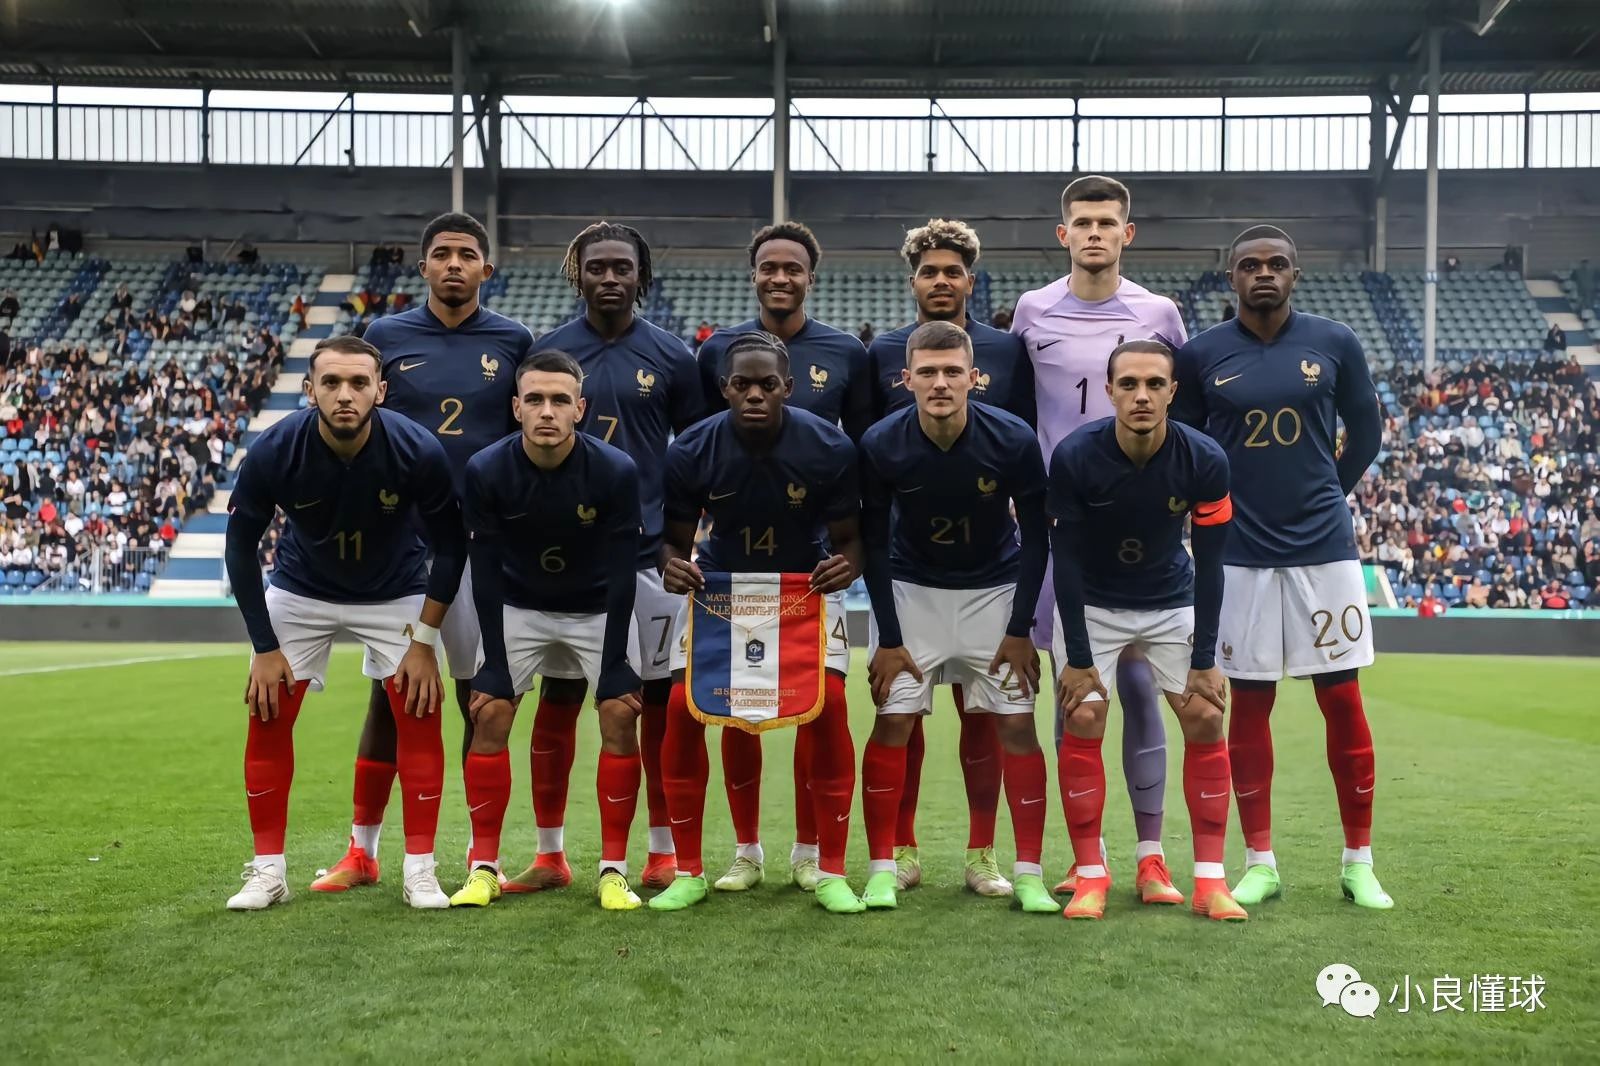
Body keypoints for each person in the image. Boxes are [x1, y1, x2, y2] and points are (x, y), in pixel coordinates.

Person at [1172, 224, 1390, 909]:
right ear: (1231, 277)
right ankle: (1260, 861)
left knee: (1342, 698)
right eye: (1249, 265)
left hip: (1324, 550)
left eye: (1276, 264)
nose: (1263, 273)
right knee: (1249, 702)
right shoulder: (1200, 354)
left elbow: (1367, 431)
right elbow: (1187, 448)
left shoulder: (1335, 342)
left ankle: (1359, 862)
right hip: (1237, 554)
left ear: (1296, 274)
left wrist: (1328, 492)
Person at [313, 211, 530, 894]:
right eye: (441, 253)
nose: (453, 264)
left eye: (466, 254)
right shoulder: (385, 337)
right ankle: (363, 851)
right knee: (390, 697)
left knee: (478, 700)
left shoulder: (514, 340)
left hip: (484, 544)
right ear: (424, 266)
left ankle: (478, 854)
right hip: (405, 545)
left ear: (487, 268)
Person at [221, 335, 465, 911]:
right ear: (310, 391)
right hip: (301, 590)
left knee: (420, 714)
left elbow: (452, 547)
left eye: (359, 383)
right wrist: (264, 647)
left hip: (394, 592)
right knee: (268, 713)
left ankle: (421, 870)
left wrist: (425, 641)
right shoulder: (275, 449)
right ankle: (268, 871)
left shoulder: (417, 449)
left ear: (381, 390)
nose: (345, 395)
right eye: (331, 383)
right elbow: (239, 546)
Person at [1011, 174, 1190, 903]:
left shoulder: (1159, 313)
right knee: (1074, 688)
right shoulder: (1032, 311)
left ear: (1126, 233)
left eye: (1106, 222)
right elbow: (1020, 414)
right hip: (1065, 530)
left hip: (1142, 530)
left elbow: (1181, 411)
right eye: (1082, 222)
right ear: (1064, 234)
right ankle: (1091, 858)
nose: (1094, 233)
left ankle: (1152, 857)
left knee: (1142, 687)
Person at [650, 331, 864, 914]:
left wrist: (847, 565)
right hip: (722, 592)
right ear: (724, 388)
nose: (754, 395)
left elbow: (851, 540)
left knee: (829, 707)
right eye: (741, 384)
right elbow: (671, 542)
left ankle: (823, 864)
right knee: (685, 709)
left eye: (767, 384)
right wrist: (672, 566)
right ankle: (710, 864)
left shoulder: (828, 446)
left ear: (788, 387)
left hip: (802, 592)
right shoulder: (691, 448)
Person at [693, 222, 873, 892]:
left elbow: (862, 456)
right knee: (735, 711)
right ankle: (746, 852)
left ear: (810, 277)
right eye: (769, 267)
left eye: (792, 268)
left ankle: (808, 852)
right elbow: (701, 445)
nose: (780, 277)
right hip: (730, 571)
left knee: (817, 707)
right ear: (754, 275)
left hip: (810, 570)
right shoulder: (716, 351)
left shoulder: (845, 353)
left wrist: (854, 549)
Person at [866, 219, 1039, 896]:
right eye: (927, 373)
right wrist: (886, 633)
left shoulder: (1010, 385)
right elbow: (870, 519)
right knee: (896, 718)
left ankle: (989, 857)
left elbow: (1036, 521)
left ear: (975, 376)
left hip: (992, 578)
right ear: (905, 376)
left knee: (995, 718)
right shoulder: (882, 415)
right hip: (912, 579)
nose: (940, 382)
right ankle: (894, 857)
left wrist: (1021, 626)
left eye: (953, 372)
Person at [533, 221, 704, 892]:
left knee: (655, 704)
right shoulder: (547, 352)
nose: (609, 277)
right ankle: (549, 854)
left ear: (641, 276)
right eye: (597, 266)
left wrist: (678, 542)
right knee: (559, 697)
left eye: (621, 267)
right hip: (565, 561)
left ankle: (661, 851)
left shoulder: (673, 357)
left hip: (647, 560)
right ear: (576, 274)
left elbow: (694, 460)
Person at [1050, 339, 1244, 922]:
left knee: (1205, 714)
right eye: (1129, 384)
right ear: (1108, 391)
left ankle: (1209, 881)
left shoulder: (1205, 458)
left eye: (1155, 384)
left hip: (1169, 600)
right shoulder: (1074, 456)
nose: (1142, 395)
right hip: (1095, 603)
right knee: (1084, 714)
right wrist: (1078, 657)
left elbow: (1212, 563)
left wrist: (1205, 658)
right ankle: (1091, 875)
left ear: (1172, 392)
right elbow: (1066, 561)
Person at [453, 349, 646, 911]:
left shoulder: (615, 470)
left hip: (596, 608)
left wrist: (616, 662)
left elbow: (623, 573)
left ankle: (613, 871)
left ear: (580, 409)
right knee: (489, 711)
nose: (547, 411)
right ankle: (483, 866)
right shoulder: (486, 469)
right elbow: (485, 571)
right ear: (516, 407)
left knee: (619, 712)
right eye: (534, 399)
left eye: (560, 400)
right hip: (521, 606)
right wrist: (493, 661)